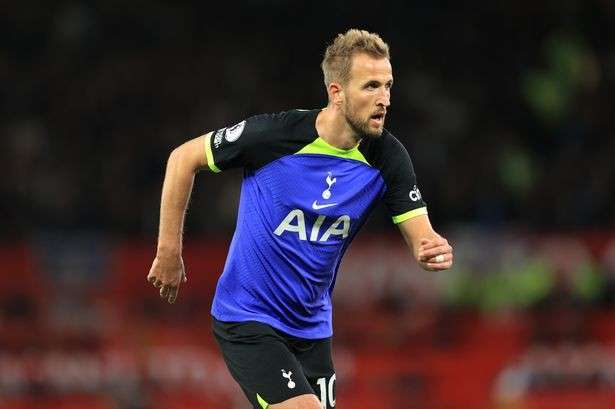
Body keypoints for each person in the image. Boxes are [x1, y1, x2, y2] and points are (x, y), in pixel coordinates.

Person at [147, 29, 453, 409]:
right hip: (248, 318)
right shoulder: (274, 136)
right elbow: (183, 158)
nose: (385, 99)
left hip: (312, 331)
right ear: (337, 92)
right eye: (371, 86)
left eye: (388, 85)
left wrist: (429, 248)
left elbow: (421, 233)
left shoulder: (387, 158)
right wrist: (169, 251)